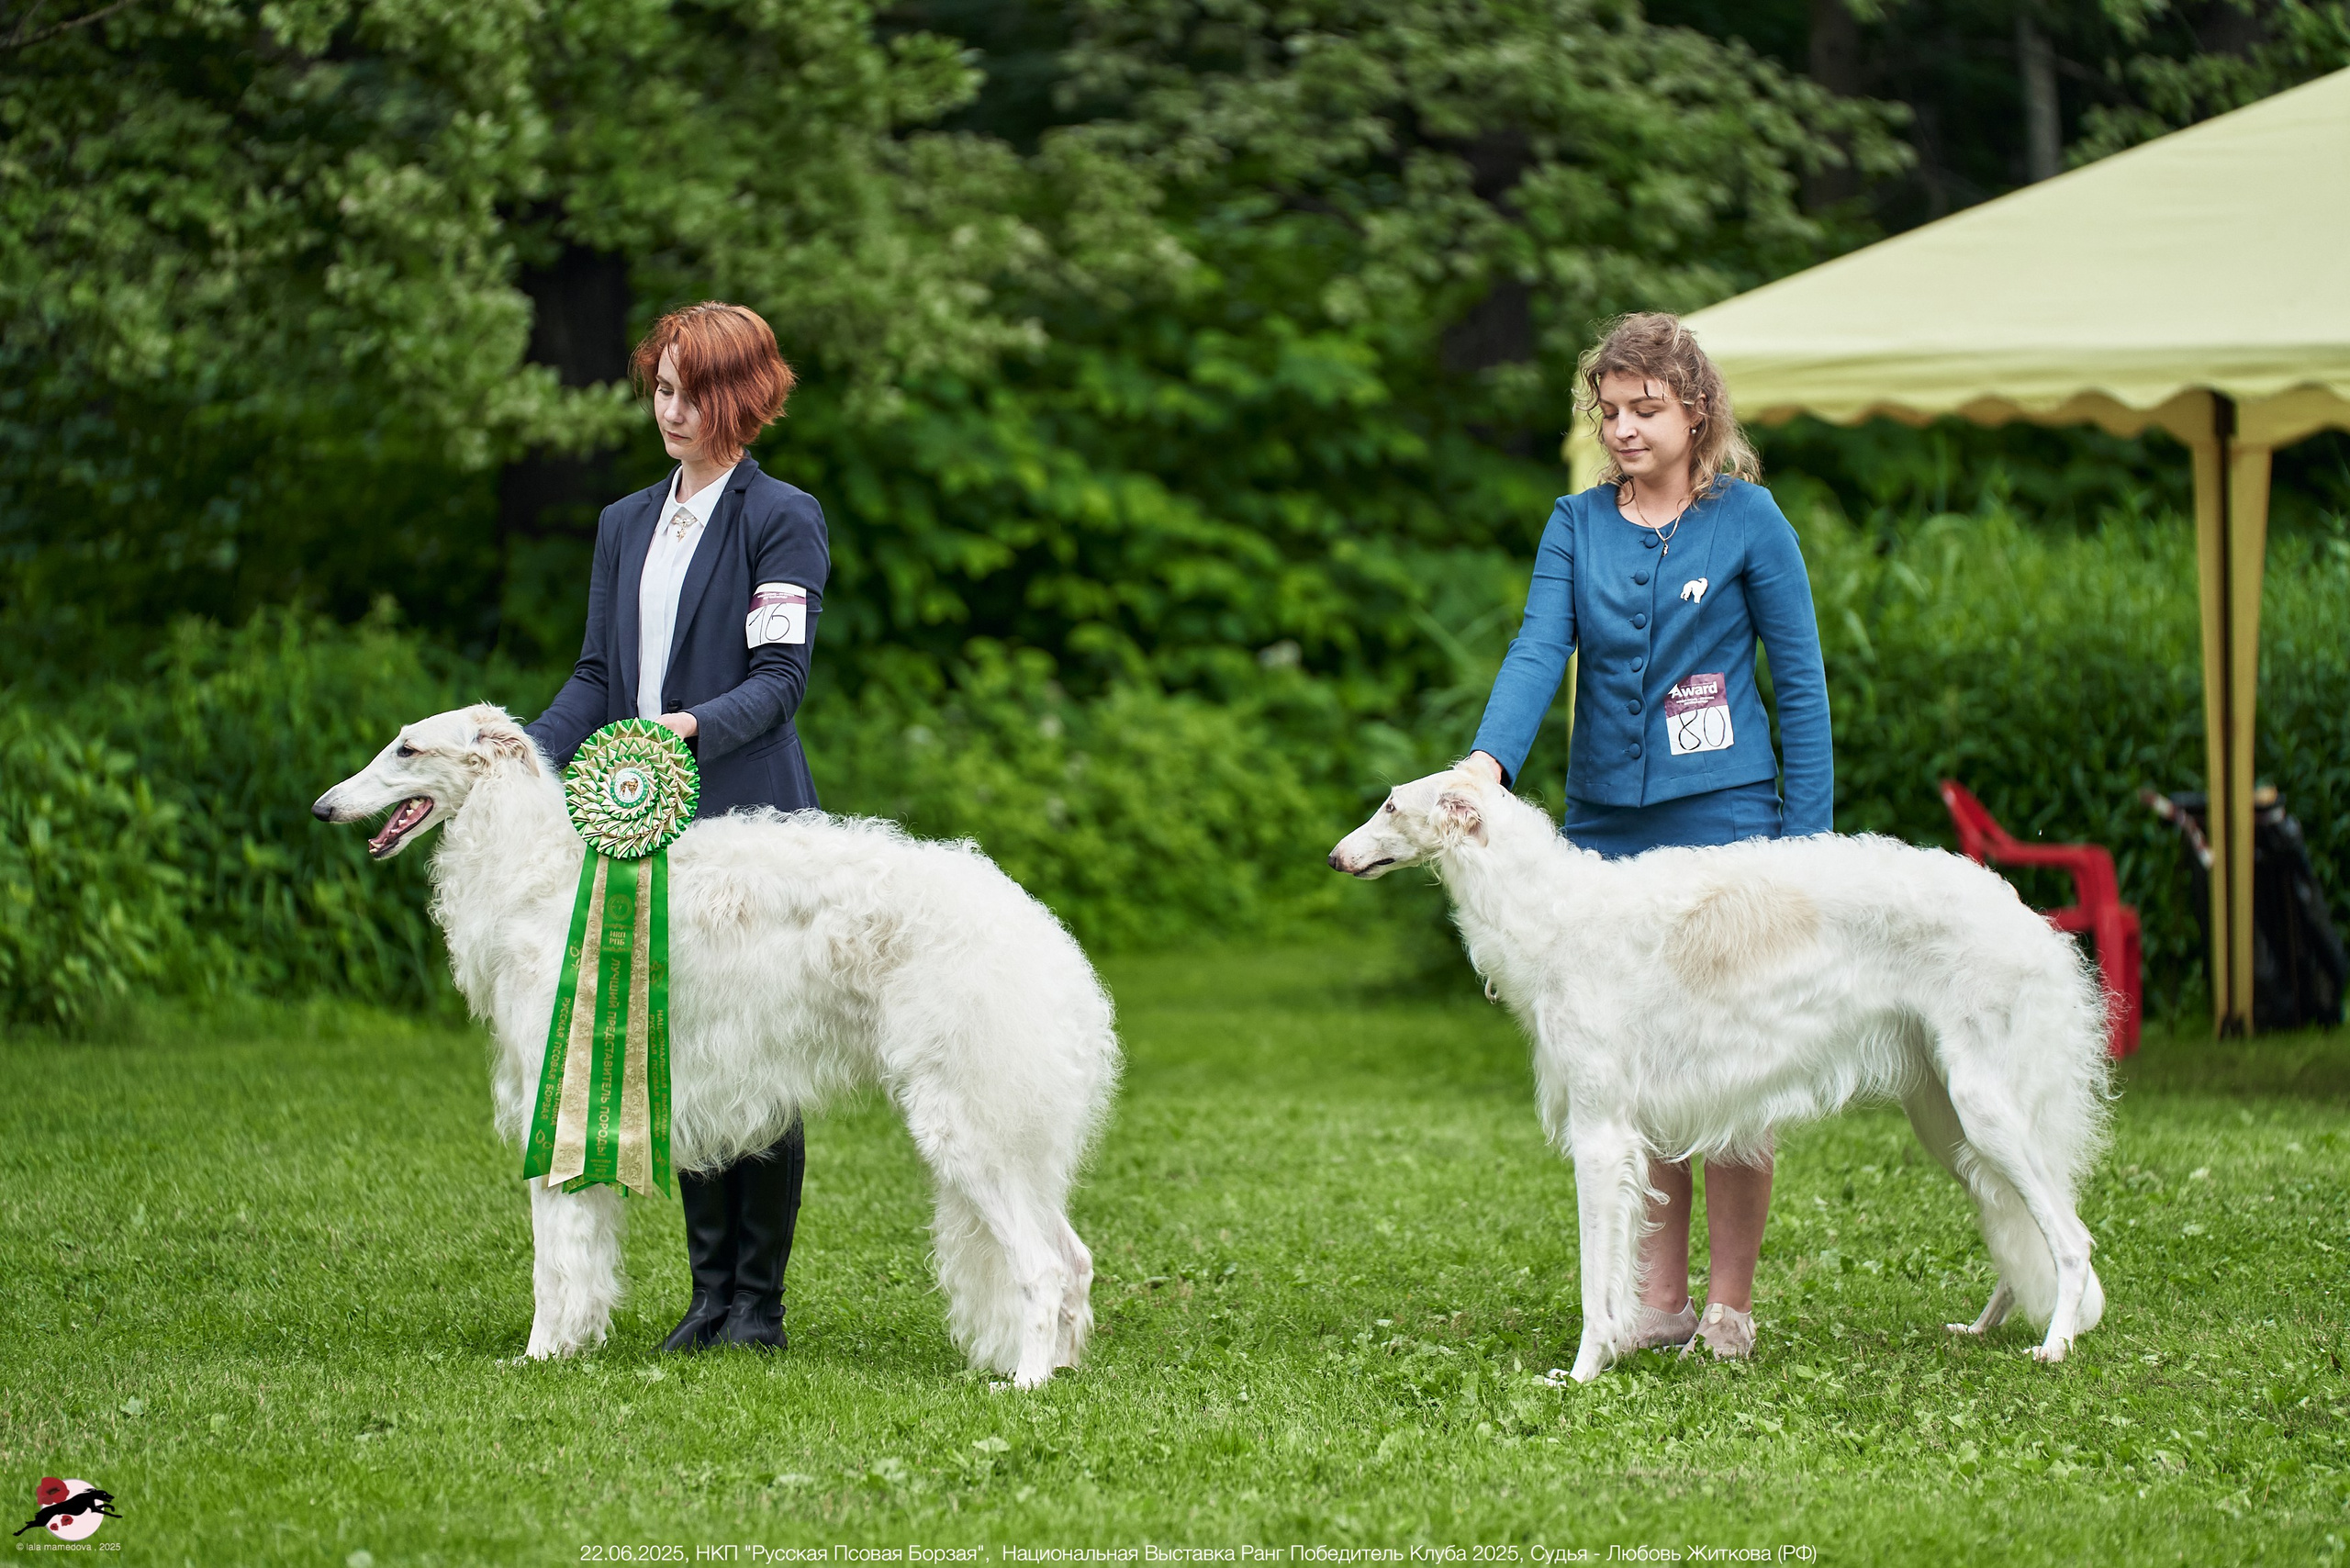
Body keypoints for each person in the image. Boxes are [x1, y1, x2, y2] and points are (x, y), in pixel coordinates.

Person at [1461, 311, 1832, 1361]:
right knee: (1639, 1066)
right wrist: (1488, 766)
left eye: (1645, 409)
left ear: (1695, 410)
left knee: (1734, 1066)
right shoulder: (1574, 525)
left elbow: (1797, 688)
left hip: (1729, 827)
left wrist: (1802, 847)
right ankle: (1655, 1298)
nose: (1623, 428)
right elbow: (1538, 649)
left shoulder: (1752, 520)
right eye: (1609, 411)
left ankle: (1728, 1304)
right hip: (1606, 832)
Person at [526, 300, 829, 1353]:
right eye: (661, 386)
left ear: (740, 397)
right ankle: (706, 1299)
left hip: (749, 824)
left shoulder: (780, 515)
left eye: (692, 390)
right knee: (690, 1057)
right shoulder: (622, 522)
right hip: (642, 831)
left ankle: (760, 1305)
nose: (672, 407)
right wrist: (525, 761)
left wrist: (682, 731)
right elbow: (597, 675)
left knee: (764, 1060)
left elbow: (780, 681)